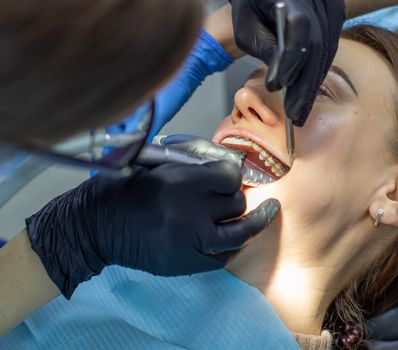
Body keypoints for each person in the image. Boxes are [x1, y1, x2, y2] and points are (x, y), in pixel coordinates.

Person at [2, 7, 398, 349]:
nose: (246, 99)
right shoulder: (73, 255)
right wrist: (64, 243)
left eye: (321, 91)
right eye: (253, 81)